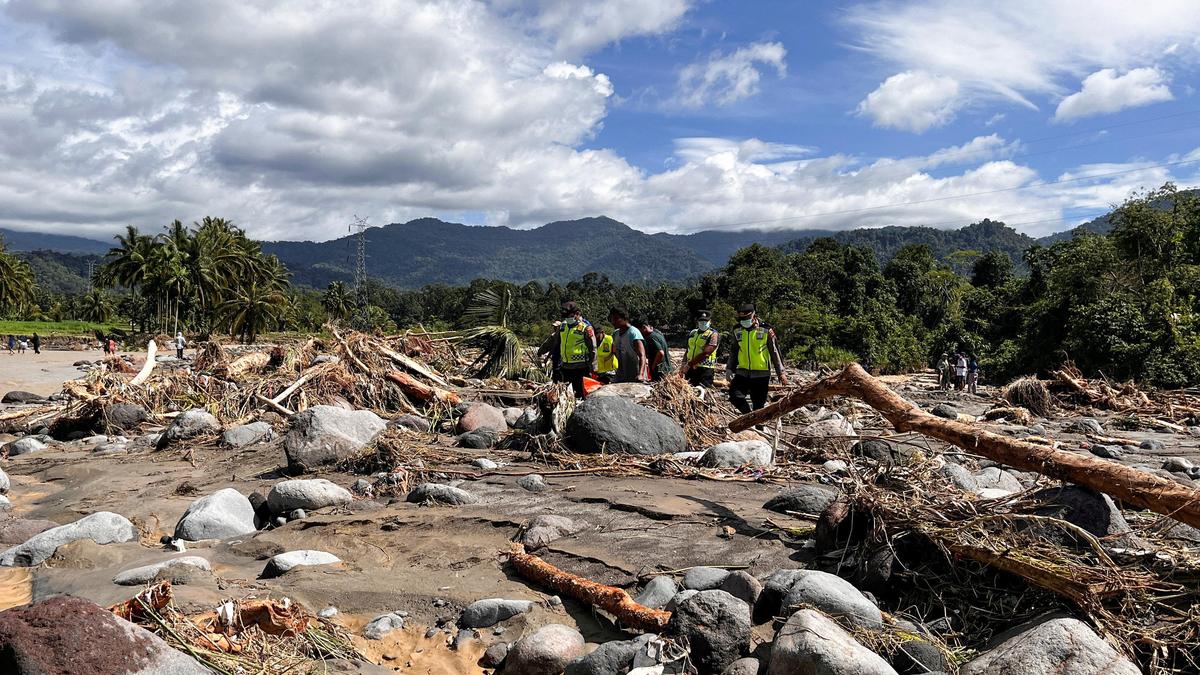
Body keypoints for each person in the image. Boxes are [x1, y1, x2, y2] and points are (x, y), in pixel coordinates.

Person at [726, 303, 788, 414]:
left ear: (754, 316)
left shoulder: (766, 330)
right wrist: (729, 368)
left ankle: (758, 426)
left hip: (761, 374)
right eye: (741, 319)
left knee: (758, 405)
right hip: (742, 372)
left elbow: (774, 352)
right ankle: (748, 416)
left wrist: (781, 373)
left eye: (746, 318)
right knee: (734, 395)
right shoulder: (737, 330)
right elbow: (734, 351)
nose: (744, 321)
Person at [552, 301, 596, 398]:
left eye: (570, 316)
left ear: (577, 314)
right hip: (565, 367)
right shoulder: (563, 326)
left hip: (581, 368)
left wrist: (592, 367)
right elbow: (557, 345)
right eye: (566, 316)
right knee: (567, 396)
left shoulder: (585, 328)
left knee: (581, 395)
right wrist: (555, 365)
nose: (568, 318)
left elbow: (592, 349)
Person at [680, 309, 719, 388]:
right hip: (691, 368)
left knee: (701, 391)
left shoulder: (713, 334)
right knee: (690, 391)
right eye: (701, 321)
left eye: (705, 321)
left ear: (710, 322)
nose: (703, 323)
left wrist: (690, 364)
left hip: (705, 368)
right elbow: (688, 349)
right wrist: (683, 364)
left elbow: (706, 353)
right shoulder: (693, 332)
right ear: (697, 322)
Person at [610, 306, 648, 384]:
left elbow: (642, 356)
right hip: (621, 376)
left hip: (635, 378)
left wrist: (640, 374)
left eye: (616, 319)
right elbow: (613, 351)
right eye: (612, 319)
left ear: (624, 318)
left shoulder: (633, 333)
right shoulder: (615, 334)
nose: (613, 322)